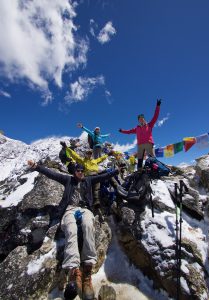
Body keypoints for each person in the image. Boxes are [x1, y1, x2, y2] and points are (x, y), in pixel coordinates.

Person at [27, 159, 120, 300]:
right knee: (71, 229)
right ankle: (73, 271)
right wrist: (36, 167)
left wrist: (116, 171)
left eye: (82, 170)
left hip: (85, 209)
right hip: (69, 209)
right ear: (74, 171)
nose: (80, 172)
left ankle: (87, 270)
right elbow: (51, 174)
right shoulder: (68, 180)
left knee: (88, 225)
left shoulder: (89, 180)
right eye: (78, 170)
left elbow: (103, 176)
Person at [119, 99, 161, 169]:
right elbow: (129, 131)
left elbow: (155, 116)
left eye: (142, 118)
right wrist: (122, 131)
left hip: (148, 143)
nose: (141, 120)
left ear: (144, 119)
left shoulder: (149, 125)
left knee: (152, 158)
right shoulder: (137, 128)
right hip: (140, 145)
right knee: (140, 159)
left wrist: (158, 106)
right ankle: (139, 172)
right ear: (138, 120)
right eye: (139, 119)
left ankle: (156, 171)